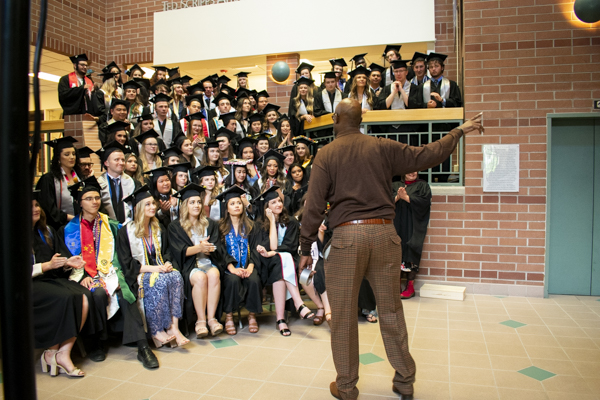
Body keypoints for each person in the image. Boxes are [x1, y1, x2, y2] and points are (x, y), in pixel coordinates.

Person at [298, 98, 483, 400]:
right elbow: (427, 155)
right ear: (362, 118)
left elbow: (314, 206)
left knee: (343, 316)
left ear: (335, 118)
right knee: (391, 311)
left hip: (346, 239)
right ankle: (405, 381)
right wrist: (459, 131)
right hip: (385, 235)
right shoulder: (382, 147)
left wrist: (305, 245)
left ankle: (346, 387)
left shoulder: (326, 154)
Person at [60, 176, 159, 369]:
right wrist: (85, 276)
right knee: (96, 294)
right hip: (85, 276)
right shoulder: (70, 230)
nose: (95, 201)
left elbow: (123, 250)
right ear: (79, 203)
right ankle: (96, 343)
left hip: (112, 271)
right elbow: (68, 260)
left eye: (97, 197)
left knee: (127, 292)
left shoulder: (110, 225)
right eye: (89, 198)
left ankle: (142, 346)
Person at [118, 185, 189, 348]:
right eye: (147, 204)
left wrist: (168, 263)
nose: (152, 207)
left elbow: (166, 252)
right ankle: (156, 329)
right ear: (138, 208)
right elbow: (127, 263)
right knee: (158, 281)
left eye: (153, 203)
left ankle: (174, 328)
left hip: (159, 269)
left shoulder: (158, 227)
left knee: (176, 276)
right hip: (140, 274)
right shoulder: (125, 231)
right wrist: (155, 269)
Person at [32, 192, 88, 378]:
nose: (36, 209)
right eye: (31, 206)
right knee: (65, 298)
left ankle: (60, 352)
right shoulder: (14, 235)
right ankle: (54, 353)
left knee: (84, 298)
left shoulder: (46, 230)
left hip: (51, 280)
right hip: (30, 284)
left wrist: (68, 262)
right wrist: (47, 266)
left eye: (37, 205)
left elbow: (59, 257)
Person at [168, 184, 228, 338]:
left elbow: (217, 247)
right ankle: (200, 321)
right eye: (192, 202)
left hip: (208, 261)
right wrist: (199, 248)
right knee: (200, 278)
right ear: (185, 205)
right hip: (189, 265)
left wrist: (209, 248)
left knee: (214, 274)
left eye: (199, 202)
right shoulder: (175, 227)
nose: (196, 205)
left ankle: (212, 319)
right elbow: (179, 251)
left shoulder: (210, 224)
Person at [254, 186, 315, 336]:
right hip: (266, 265)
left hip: (284, 264)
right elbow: (272, 246)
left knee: (282, 263)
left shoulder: (291, 222)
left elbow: (289, 247)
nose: (278, 204)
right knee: (281, 259)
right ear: (267, 207)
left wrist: (273, 252)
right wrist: (271, 221)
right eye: (273, 202)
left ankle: (280, 320)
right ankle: (298, 303)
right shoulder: (261, 224)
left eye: (279, 201)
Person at [217, 186, 262, 334]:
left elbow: (256, 247)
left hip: (248, 264)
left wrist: (250, 266)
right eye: (232, 203)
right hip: (229, 267)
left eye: (238, 203)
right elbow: (220, 250)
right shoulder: (220, 227)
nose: (236, 206)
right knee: (232, 281)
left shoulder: (251, 226)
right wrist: (231, 268)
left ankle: (251, 315)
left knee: (254, 279)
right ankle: (229, 316)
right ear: (227, 208)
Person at [392, 172, 432, 299]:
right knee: (395, 251)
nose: (412, 172)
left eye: (415, 170)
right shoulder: (394, 185)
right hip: (396, 224)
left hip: (414, 225)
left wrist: (407, 198)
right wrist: (398, 197)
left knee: (412, 249)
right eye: (409, 169)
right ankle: (395, 286)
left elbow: (424, 203)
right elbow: (385, 202)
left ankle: (410, 287)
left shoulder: (422, 186)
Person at [35, 137, 82, 229]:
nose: (72, 157)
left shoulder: (79, 178)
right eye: (67, 154)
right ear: (58, 158)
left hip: (80, 226)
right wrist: (70, 218)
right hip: (59, 228)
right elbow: (48, 208)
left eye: (73, 154)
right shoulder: (49, 179)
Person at [96, 140, 138, 224]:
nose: (121, 163)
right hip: (106, 226)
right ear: (106, 163)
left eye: (123, 160)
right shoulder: (98, 183)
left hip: (128, 227)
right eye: (116, 160)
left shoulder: (132, 182)